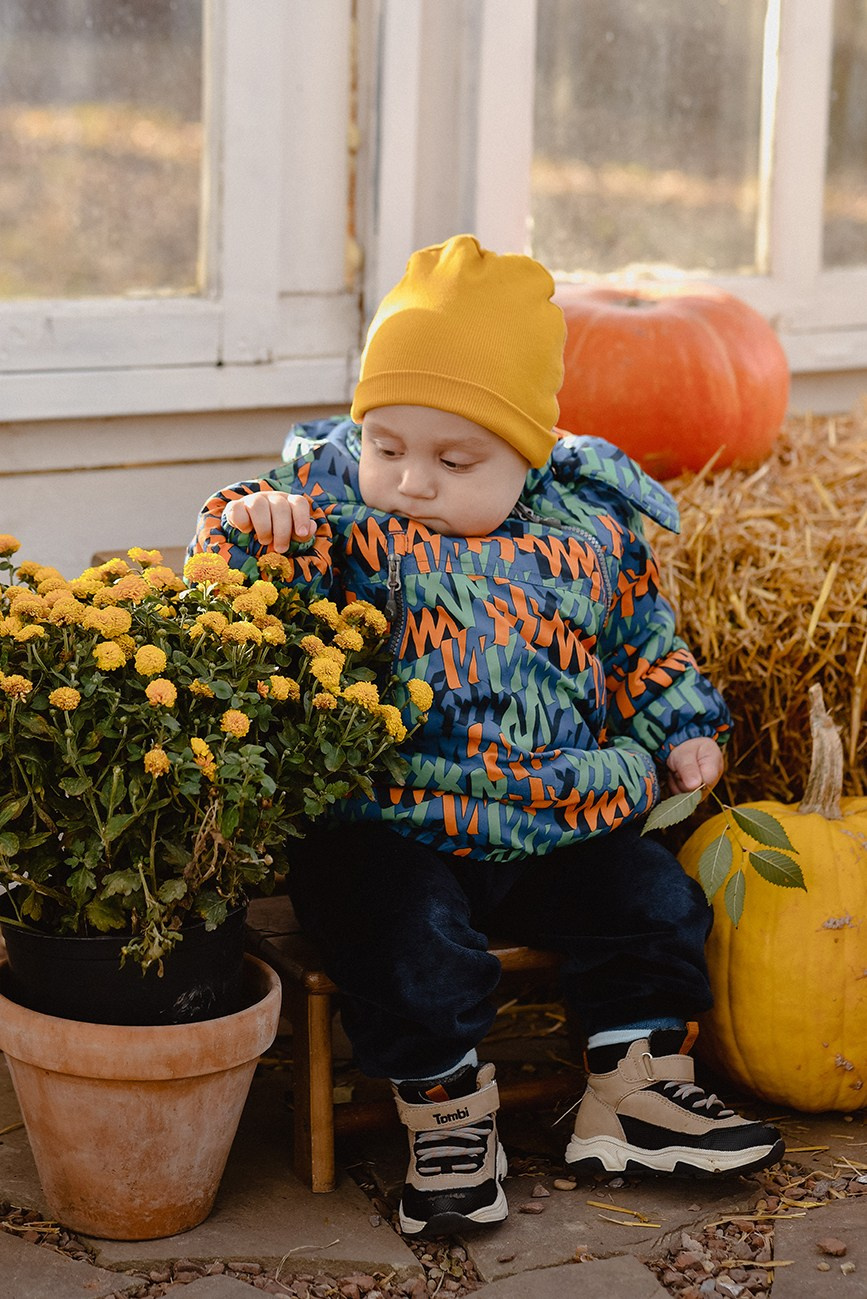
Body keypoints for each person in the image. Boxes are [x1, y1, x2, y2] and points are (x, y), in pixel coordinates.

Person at [192, 234, 784, 1237]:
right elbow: (263, 603)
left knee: (652, 900)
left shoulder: (588, 530)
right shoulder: (336, 514)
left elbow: (641, 641)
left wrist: (680, 723)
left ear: (529, 455)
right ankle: (448, 1110)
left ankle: (632, 1090)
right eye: (387, 445)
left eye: (453, 459)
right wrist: (257, 530)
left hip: (555, 809)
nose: (412, 480)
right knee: (397, 929)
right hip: (397, 813)